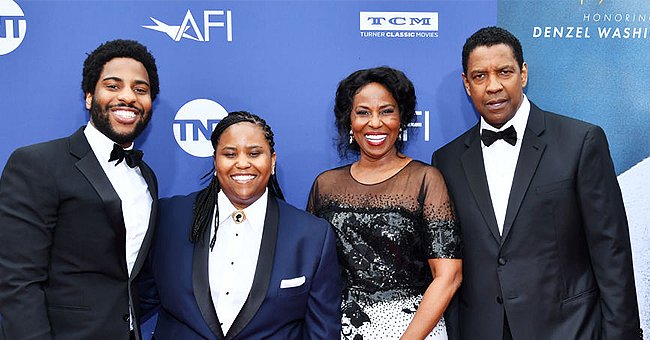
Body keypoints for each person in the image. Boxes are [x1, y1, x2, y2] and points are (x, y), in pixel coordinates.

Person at [431, 26, 642, 340]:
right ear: (467, 84)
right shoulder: (446, 160)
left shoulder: (580, 141)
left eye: (504, 72)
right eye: (479, 76)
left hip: (570, 329)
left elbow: (611, 253)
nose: (493, 86)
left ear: (523, 74)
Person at [0, 39, 160, 339]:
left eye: (140, 89)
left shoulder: (146, 177)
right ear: (89, 97)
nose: (128, 97)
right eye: (113, 86)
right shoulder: (38, 163)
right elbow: (16, 281)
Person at [140, 111, 341, 339]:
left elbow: (322, 332)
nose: (242, 163)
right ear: (215, 161)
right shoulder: (169, 218)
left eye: (254, 153)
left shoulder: (312, 235)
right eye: (230, 154)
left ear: (272, 161)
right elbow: (137, 299)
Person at [308, 66, 462, 339]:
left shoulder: (425, 179)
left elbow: (448, 276)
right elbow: (313, 272)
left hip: (414, 328)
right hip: (340, 328)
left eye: (387, 111)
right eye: (363, 112)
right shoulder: (325, 186)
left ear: (401, 118)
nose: (375, 123)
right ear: (348, 120)